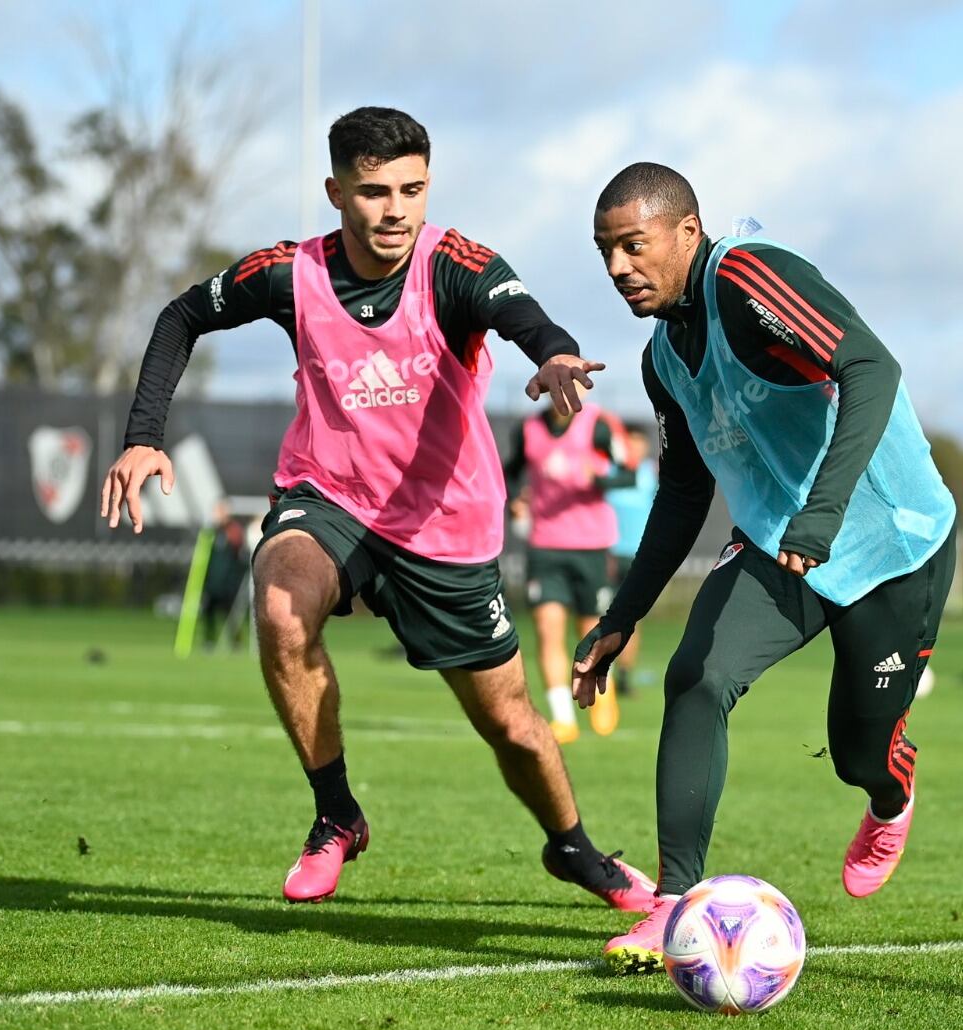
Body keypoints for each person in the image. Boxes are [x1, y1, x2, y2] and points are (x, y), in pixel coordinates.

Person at [100, 107, 653, 910]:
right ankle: (336, 815)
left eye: (411, 189)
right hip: (329, 497)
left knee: (511, 725)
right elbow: (184, 313)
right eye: (373, 191)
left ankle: (573, 849)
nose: (395, 208)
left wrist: (556, 354)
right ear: (335, 192)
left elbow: (522, 315)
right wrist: (144, 434)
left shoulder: (454, 264)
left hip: (445, 525)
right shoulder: (291, 272)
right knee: (282, 605)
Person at [574, 163, 956, 974]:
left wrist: (823, 514)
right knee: (698, 675)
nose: (617, 269)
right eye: (606, 252)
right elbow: (681, 494)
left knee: (859, 753)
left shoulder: (749, 277)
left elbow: (872, 368)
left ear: (686, 231)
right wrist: (620, 617)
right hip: (780, 542)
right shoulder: (662, 359)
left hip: (892, 539)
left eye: (633, 246)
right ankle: (675, 902)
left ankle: (891, 793)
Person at [503, 400, 634, 742]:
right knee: (548, 629)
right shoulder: (529, 429)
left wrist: (600, 480)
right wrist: (514, 500)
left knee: (590, 629)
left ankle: (603, 696)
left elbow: (628, 473)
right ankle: (563, 718)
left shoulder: (598, 425)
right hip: (545, 546)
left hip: (591, 546)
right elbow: (509, 472)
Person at [605, 424, 658, 697]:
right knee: (599, 614)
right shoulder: (609, 472)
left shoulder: (652, 475)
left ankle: (624, 676)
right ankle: (602, 670)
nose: (634, 448)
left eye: (639, 443)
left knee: (631, 620)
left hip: (638, 558)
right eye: (630, 442)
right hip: (607, 555)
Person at [199, 500, 249, 652]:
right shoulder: (211, 532)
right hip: (212, 581)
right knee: (208, 611)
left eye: (220, 511)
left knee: (231, 613)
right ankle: (209, 640)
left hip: (228, 581)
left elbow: (239, 548)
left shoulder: (233, 530)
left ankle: (235, 642)